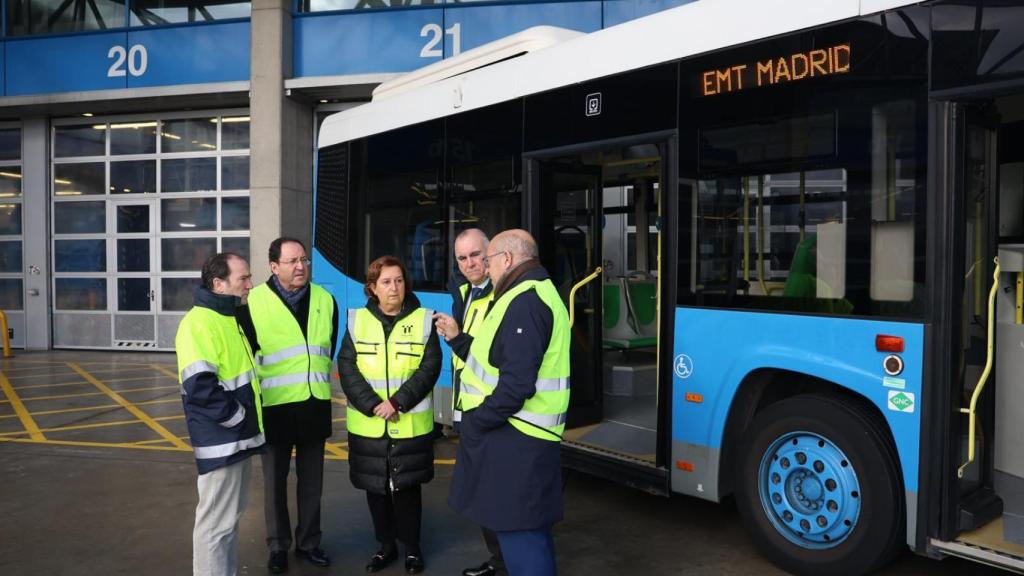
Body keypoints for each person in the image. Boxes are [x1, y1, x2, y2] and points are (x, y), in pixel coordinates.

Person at [443, 229, 571, 576]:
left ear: (507, 259)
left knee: (521, 536)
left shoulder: (524, 300)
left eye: (488, 260)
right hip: (525, 435)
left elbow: (516, 385)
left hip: (518, 436)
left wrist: (478, 420)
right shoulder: (535, 292)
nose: (485, 267)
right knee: (528, 532)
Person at [237, 238, 338, 573]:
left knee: (312, 485)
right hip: (274, 408)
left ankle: (309, 543)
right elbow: (247, 357)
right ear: (273, 266)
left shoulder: (325, 299)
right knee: (274, 484)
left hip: (314, 405)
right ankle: (278, 546)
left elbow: (327, 348)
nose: (300, 267)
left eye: (304, 260)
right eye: (292, 261)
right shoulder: (253, 302)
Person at [338, 255, 442, 574]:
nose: (394, 287)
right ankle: (386, 547)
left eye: (398, 280)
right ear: (372, 288)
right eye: (386, 282)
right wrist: (373, 405)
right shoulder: (356, 321)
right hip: (369, 425)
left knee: (408, 489)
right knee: (377, 490)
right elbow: (347, 367)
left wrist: (397, 402)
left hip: (409, 424)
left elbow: (430, 368)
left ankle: (412, 549)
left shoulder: (424, 320)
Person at [175, 252, 265, 576]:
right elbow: (200, 387)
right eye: (243, 278)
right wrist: (239, 419)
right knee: (215, 526)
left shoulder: (228, 317)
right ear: (218, 283)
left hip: (235, 439)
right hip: (223, 441)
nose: (250, 285)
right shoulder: (199, 323)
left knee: (227, 522)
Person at [432, 229, 505, 576]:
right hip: (470, 407)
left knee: (497, 492)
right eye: (462, 258)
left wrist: (457, 338)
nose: (470, 264)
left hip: (495, 411)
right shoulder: (463, 290)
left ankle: (506, 562)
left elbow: (494, 356)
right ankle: (499, 560)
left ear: (491, 255)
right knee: (483, 491)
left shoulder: (502, 295)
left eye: (476, 255)